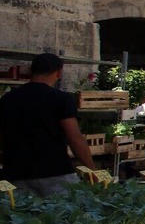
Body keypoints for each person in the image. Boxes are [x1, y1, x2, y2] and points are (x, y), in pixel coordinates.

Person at [0, 53, 95, 197]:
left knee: (22, 216)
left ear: (30, 71)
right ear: (59, 73)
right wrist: (91, 169)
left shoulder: (7, 99)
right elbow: (74, 138)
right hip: (55, 172)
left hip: (16, 174)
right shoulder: (61, 99)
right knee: (65, 216)